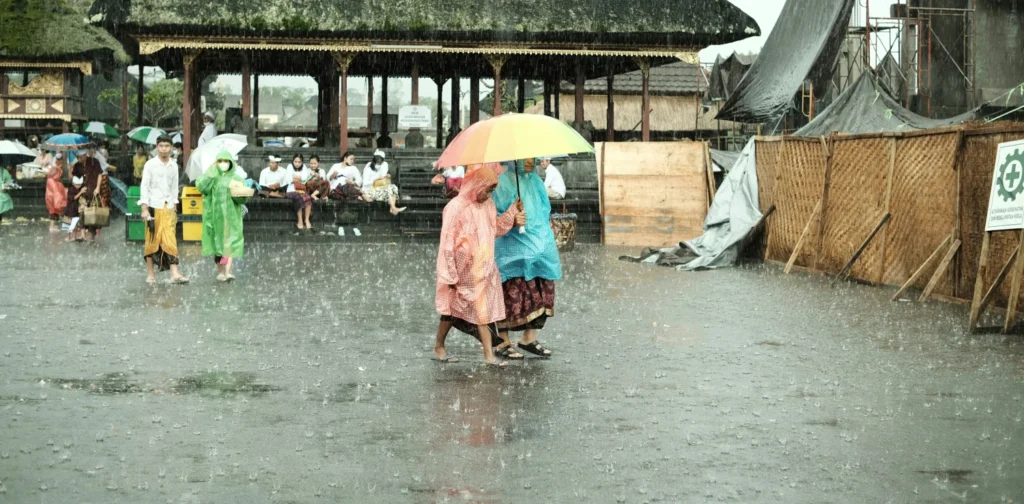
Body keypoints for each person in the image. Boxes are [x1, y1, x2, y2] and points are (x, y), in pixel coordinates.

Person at [433, 166, 526, 366]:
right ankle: (441, 345)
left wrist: (512, 212)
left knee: (482, 310)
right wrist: (449, 275)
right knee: (452, 311)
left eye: (492, 191)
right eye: (487, 189)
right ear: (477, 185)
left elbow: (496, 229)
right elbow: (447, 243)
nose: (489, 194)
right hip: (462, 268)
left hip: (484, 266)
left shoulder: (488, 205)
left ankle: (487, 355)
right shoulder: (455, 208)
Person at [492, 158, 562, 358]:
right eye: (526, 158)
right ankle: (502, 341)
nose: (531, 161)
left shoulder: (536, 181)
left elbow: (543, 210)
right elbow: (494, 216)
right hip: (512, 249)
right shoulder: (502, 183)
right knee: (511, 292)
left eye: (534, 157)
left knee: (540, 289)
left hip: (539, 246)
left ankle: (529, 337)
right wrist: (511, 219)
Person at [139, 135, 189, 285]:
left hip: (168, 207)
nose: (164, 149)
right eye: (161, 146)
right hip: (153, 206)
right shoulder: (150, 164)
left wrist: (175, 207)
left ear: (172, 147)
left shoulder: (174, 166)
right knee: (152, 241)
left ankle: (174, 273)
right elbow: (144, 186)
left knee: (170, 239)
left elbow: (174, 188)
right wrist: (144, 208)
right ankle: (150, 274)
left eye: (167, 146)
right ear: (157, 146)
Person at [197, 150, 249, 282]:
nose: (223, 163)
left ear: (231, 162)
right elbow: (202, 187)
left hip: (231, 217)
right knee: (218, 244)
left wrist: (242, 194)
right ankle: (220, 270)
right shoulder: (212, 178)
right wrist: (210, 172)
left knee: (230, 243)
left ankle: (228, 271)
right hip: (215, 217)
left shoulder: (237, 179)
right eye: (220, 161)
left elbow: (242, 200)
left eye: (226, 161)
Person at [71, 148, 108, 241]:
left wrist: (98, 187)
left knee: (92, 214)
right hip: (83, 194)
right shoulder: (77, 166)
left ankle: (92, 234)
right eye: (77, 157)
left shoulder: (94, 162)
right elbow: (74, 179)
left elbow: (100, 174)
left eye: (80, 157)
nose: (79, 159)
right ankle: (83, 234)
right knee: (82, 213)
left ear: (84, 155)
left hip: (93, 191)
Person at [361, 150, 406, 215]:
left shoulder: (384, 164)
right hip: (369, 189)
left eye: (381, 159)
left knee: (393, 187)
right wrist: (375, 180)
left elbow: (383, 177)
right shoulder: (369, 166)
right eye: (377, 158)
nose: (379, 160)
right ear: (374, 158)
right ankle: (393, 208)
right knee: (389, 189)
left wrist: (386, 177)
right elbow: (365, 182)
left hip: (381, 187)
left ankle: (393, 207)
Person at [286, 154, 313, 229]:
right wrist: (298, 179)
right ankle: (300, 220)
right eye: (295, 161)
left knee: (307, 197)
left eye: (299, 162)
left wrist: (294, 177)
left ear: (302, 162)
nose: (297, 163)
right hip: (291, 190)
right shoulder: (289, 166)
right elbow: (288, 180)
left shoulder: (304, 167)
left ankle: (307, 220)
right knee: (299, 198)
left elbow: (304, 179)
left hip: (301, 190)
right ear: (293, 161)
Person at [44, 152, 68, 232]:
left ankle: (53, 226)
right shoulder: (53, 180)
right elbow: (56, 193)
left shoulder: (52, 179)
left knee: (53, 210)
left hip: (51, 195)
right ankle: (52, 227)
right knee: (53, 210)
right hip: (53, 197)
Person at [64, 175, 87, 241]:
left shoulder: (81, 188)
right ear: (73, 183)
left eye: (79, 185)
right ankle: (68, 237)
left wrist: (84, 202)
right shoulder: (71, 189)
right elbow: (73, 198)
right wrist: (80, 192)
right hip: (70, 209)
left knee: (75, 224)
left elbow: (82, 198)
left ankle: (74, 236)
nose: (78, 186)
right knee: (68, 224)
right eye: (76, 185)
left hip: (76, 209)